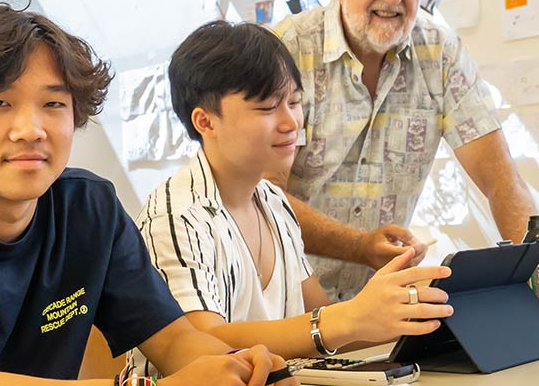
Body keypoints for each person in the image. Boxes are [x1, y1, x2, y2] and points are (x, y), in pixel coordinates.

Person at [0, 3, 296, 386]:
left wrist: (243, 367)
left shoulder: (89, 210)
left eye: (53, 104)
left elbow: (175, 341)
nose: (30, 129)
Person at [134, 20, 453, 368]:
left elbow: (322, 320)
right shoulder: (177, 216)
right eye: (268, 108)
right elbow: (200, 343)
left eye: (295, 102)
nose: (291, 123)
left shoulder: (273, 203)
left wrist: (411, 312)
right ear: (205, 122)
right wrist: (345, 319)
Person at [272, 0, 536, 301]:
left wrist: (537, 278)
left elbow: (502, 180)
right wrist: (360, 246)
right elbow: (263, 196)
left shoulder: (441, 53)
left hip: (377, 309)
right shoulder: (286, 50)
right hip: (282, 306)